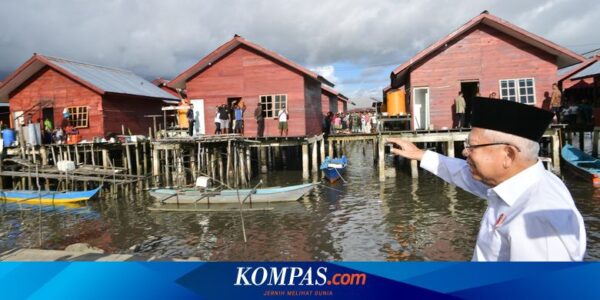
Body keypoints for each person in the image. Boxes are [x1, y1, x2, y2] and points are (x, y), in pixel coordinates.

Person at [387, 97, 586, 261]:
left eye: (473, 146)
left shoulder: (538, 218)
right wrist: (421, 155)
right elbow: (462, 173)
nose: (465, 152)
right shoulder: (517, 182)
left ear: (508, 155)